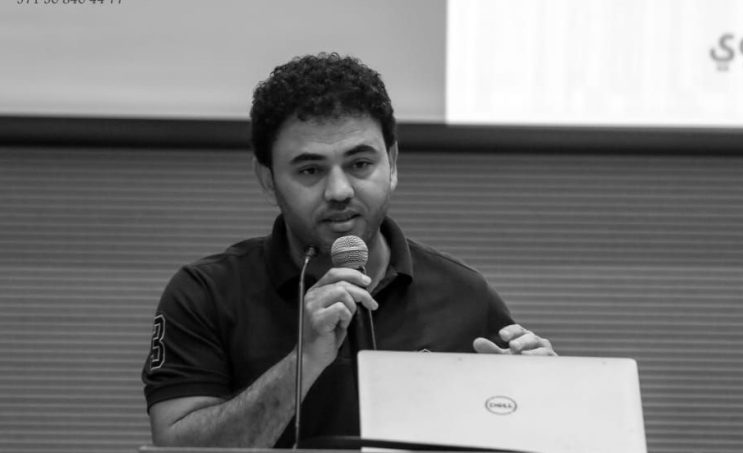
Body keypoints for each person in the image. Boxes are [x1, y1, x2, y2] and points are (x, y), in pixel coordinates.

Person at [141, 52, 556, 448]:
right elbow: (177, 448)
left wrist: (550, 398)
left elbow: (515, 433)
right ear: (267, 179)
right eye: (310, 170)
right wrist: (303, 361)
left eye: (360, 165)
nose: (339, 190)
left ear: (392, 163)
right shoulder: (206, 293)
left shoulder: (463, 294)